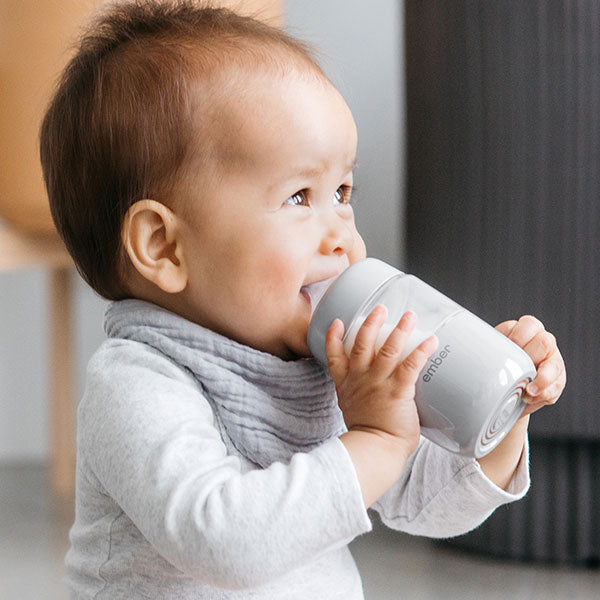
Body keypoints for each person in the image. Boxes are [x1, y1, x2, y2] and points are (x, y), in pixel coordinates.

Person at [40, 2, 566, 598]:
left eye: (342, 191)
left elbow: (426, 506)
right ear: (164, 247)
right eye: (298, 197)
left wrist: (502, 419)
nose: (342, 233)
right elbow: (223, 541)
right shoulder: (136, 383)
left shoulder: (323, 359)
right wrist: (375, 440)